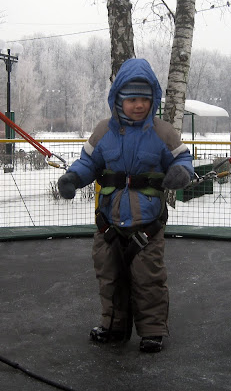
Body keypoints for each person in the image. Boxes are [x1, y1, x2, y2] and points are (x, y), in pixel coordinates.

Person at [57, 58, 193, 353]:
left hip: (148, 224)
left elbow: (182, 158)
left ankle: (152, 330)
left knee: (149, 279)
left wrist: (181, 172)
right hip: (109, 222)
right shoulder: (103, 131)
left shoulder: (163, 132)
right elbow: (88, 163)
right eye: (132, 99)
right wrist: (72, 178)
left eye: (145, 99)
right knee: (109, 276)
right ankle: (115, 325)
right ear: (118, 98)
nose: (139, 105)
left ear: (153, 100)